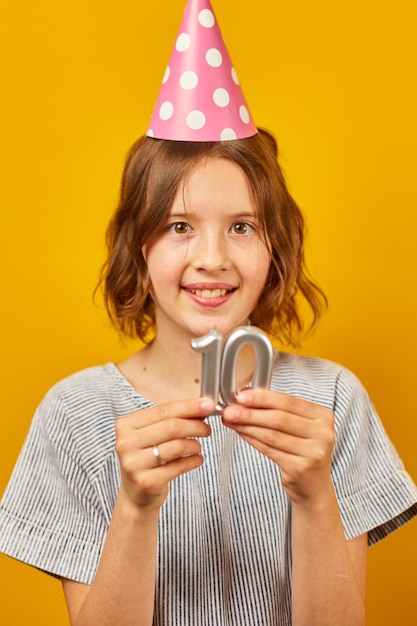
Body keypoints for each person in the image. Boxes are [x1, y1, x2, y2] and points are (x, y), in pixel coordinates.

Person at [1, 1, 417, 625]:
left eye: (242, 226)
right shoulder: (74, 415)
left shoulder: (333, 401)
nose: (213, 258)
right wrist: (137, 507)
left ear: (275, 246)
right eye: (178, 227)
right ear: (138, 248)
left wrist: (313, 495)